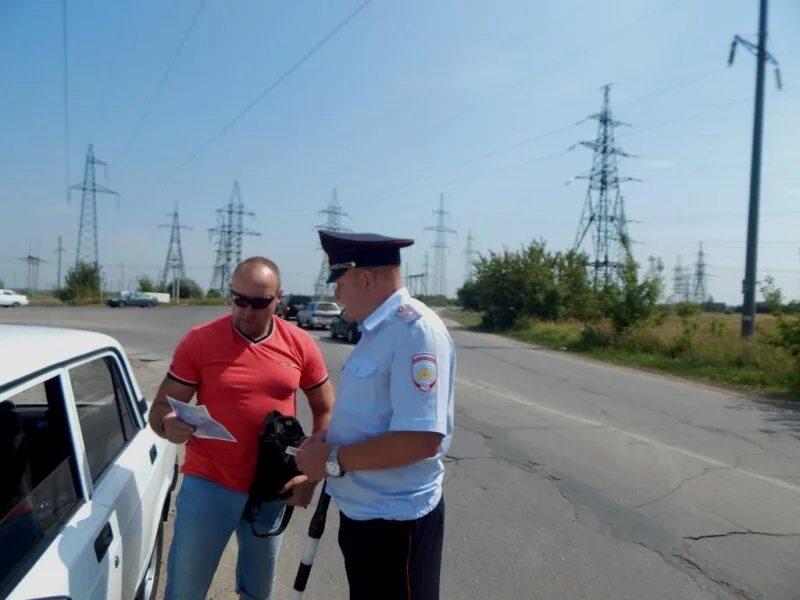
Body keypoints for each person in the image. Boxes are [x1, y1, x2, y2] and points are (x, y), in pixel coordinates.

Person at [148, 256, 334, 600]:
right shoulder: (200, 341)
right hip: (209, 484)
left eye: (260, 302)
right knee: (185, 590)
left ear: (279, 298)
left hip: (271, 487)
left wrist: (311, 476)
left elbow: (324, 408)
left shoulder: (300, 344)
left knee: (258, 592)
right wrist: (168, 424)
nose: (247, 310)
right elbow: (160, 409)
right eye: (239, 299)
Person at [296, 231, 456, 600]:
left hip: (396, 525)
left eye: (338, 282)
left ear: (365, 278)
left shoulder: (416, 332)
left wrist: (331, 460)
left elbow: (422, 439)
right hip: (364, 515)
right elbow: (368, 417)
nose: (335, 294)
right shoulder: (376, 330)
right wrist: (324, 446)